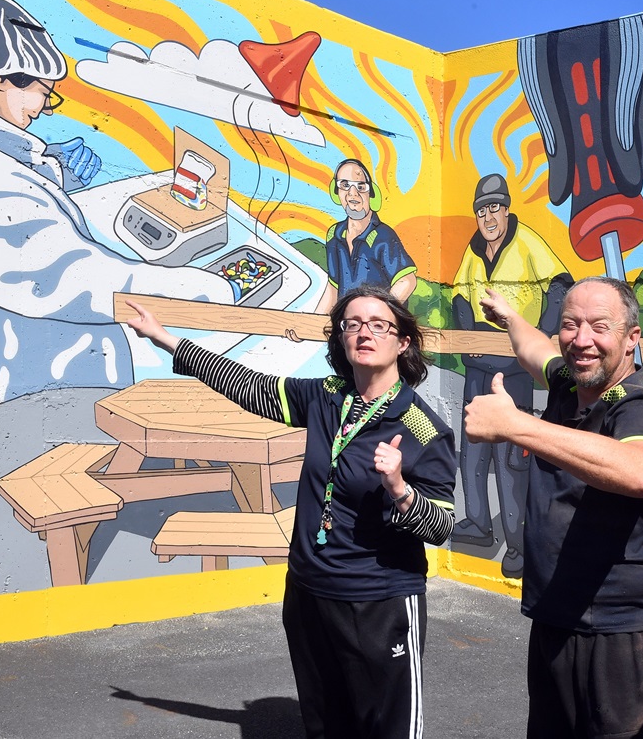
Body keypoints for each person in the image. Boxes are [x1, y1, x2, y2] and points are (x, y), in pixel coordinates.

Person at [125, 285, 456, 739]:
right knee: (324, 722)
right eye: (352, 324)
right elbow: (249, 386)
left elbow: (440, 525)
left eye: (379, 324)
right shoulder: (327, 397)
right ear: (340, 339)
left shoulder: (421, 427)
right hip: (309, 592)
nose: (364, 333)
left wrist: (400, 489)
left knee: (388, 728)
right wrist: (168, 341)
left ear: (403, 342)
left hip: (378, 602)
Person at [0, 0, 232, 418]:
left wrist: (53, 174)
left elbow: (9, 208)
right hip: (23, 406)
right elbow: (77, 279)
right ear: (4, 78)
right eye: (45, 92)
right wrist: (214, 288)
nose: (44, 109)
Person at [462, 277, 643, 738]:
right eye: (570, 325)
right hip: (557, 619)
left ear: (631, 340)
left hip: (625, 634)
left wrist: (516, 425)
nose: (582, 340)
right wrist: (508, 318)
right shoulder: (570, 383)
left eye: (599, 327)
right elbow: (533, 349)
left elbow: (640, 471)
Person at [449, 173, 573, 578]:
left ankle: (517, 545)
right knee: (472, 448)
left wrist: (545, 330)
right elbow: (457, 295)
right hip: (478, 363)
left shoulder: (528, 242)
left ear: (506, 210)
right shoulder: (473, 250)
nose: (488, 217)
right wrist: (466, 334)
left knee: (510, 458)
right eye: (481, 210)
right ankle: (479, 524)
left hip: (515, 363)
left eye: (494, 208)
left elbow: (559, 283)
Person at [314, 158, 418, 313]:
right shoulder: (334, 235)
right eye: (344, 185)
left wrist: (376, 316)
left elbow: (407, 281)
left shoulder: (382, 236)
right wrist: (309, 324)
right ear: (336, 192)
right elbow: (333, 288)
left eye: (360, 186)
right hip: (349, 327)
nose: (352, 193)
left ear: (371, 193)